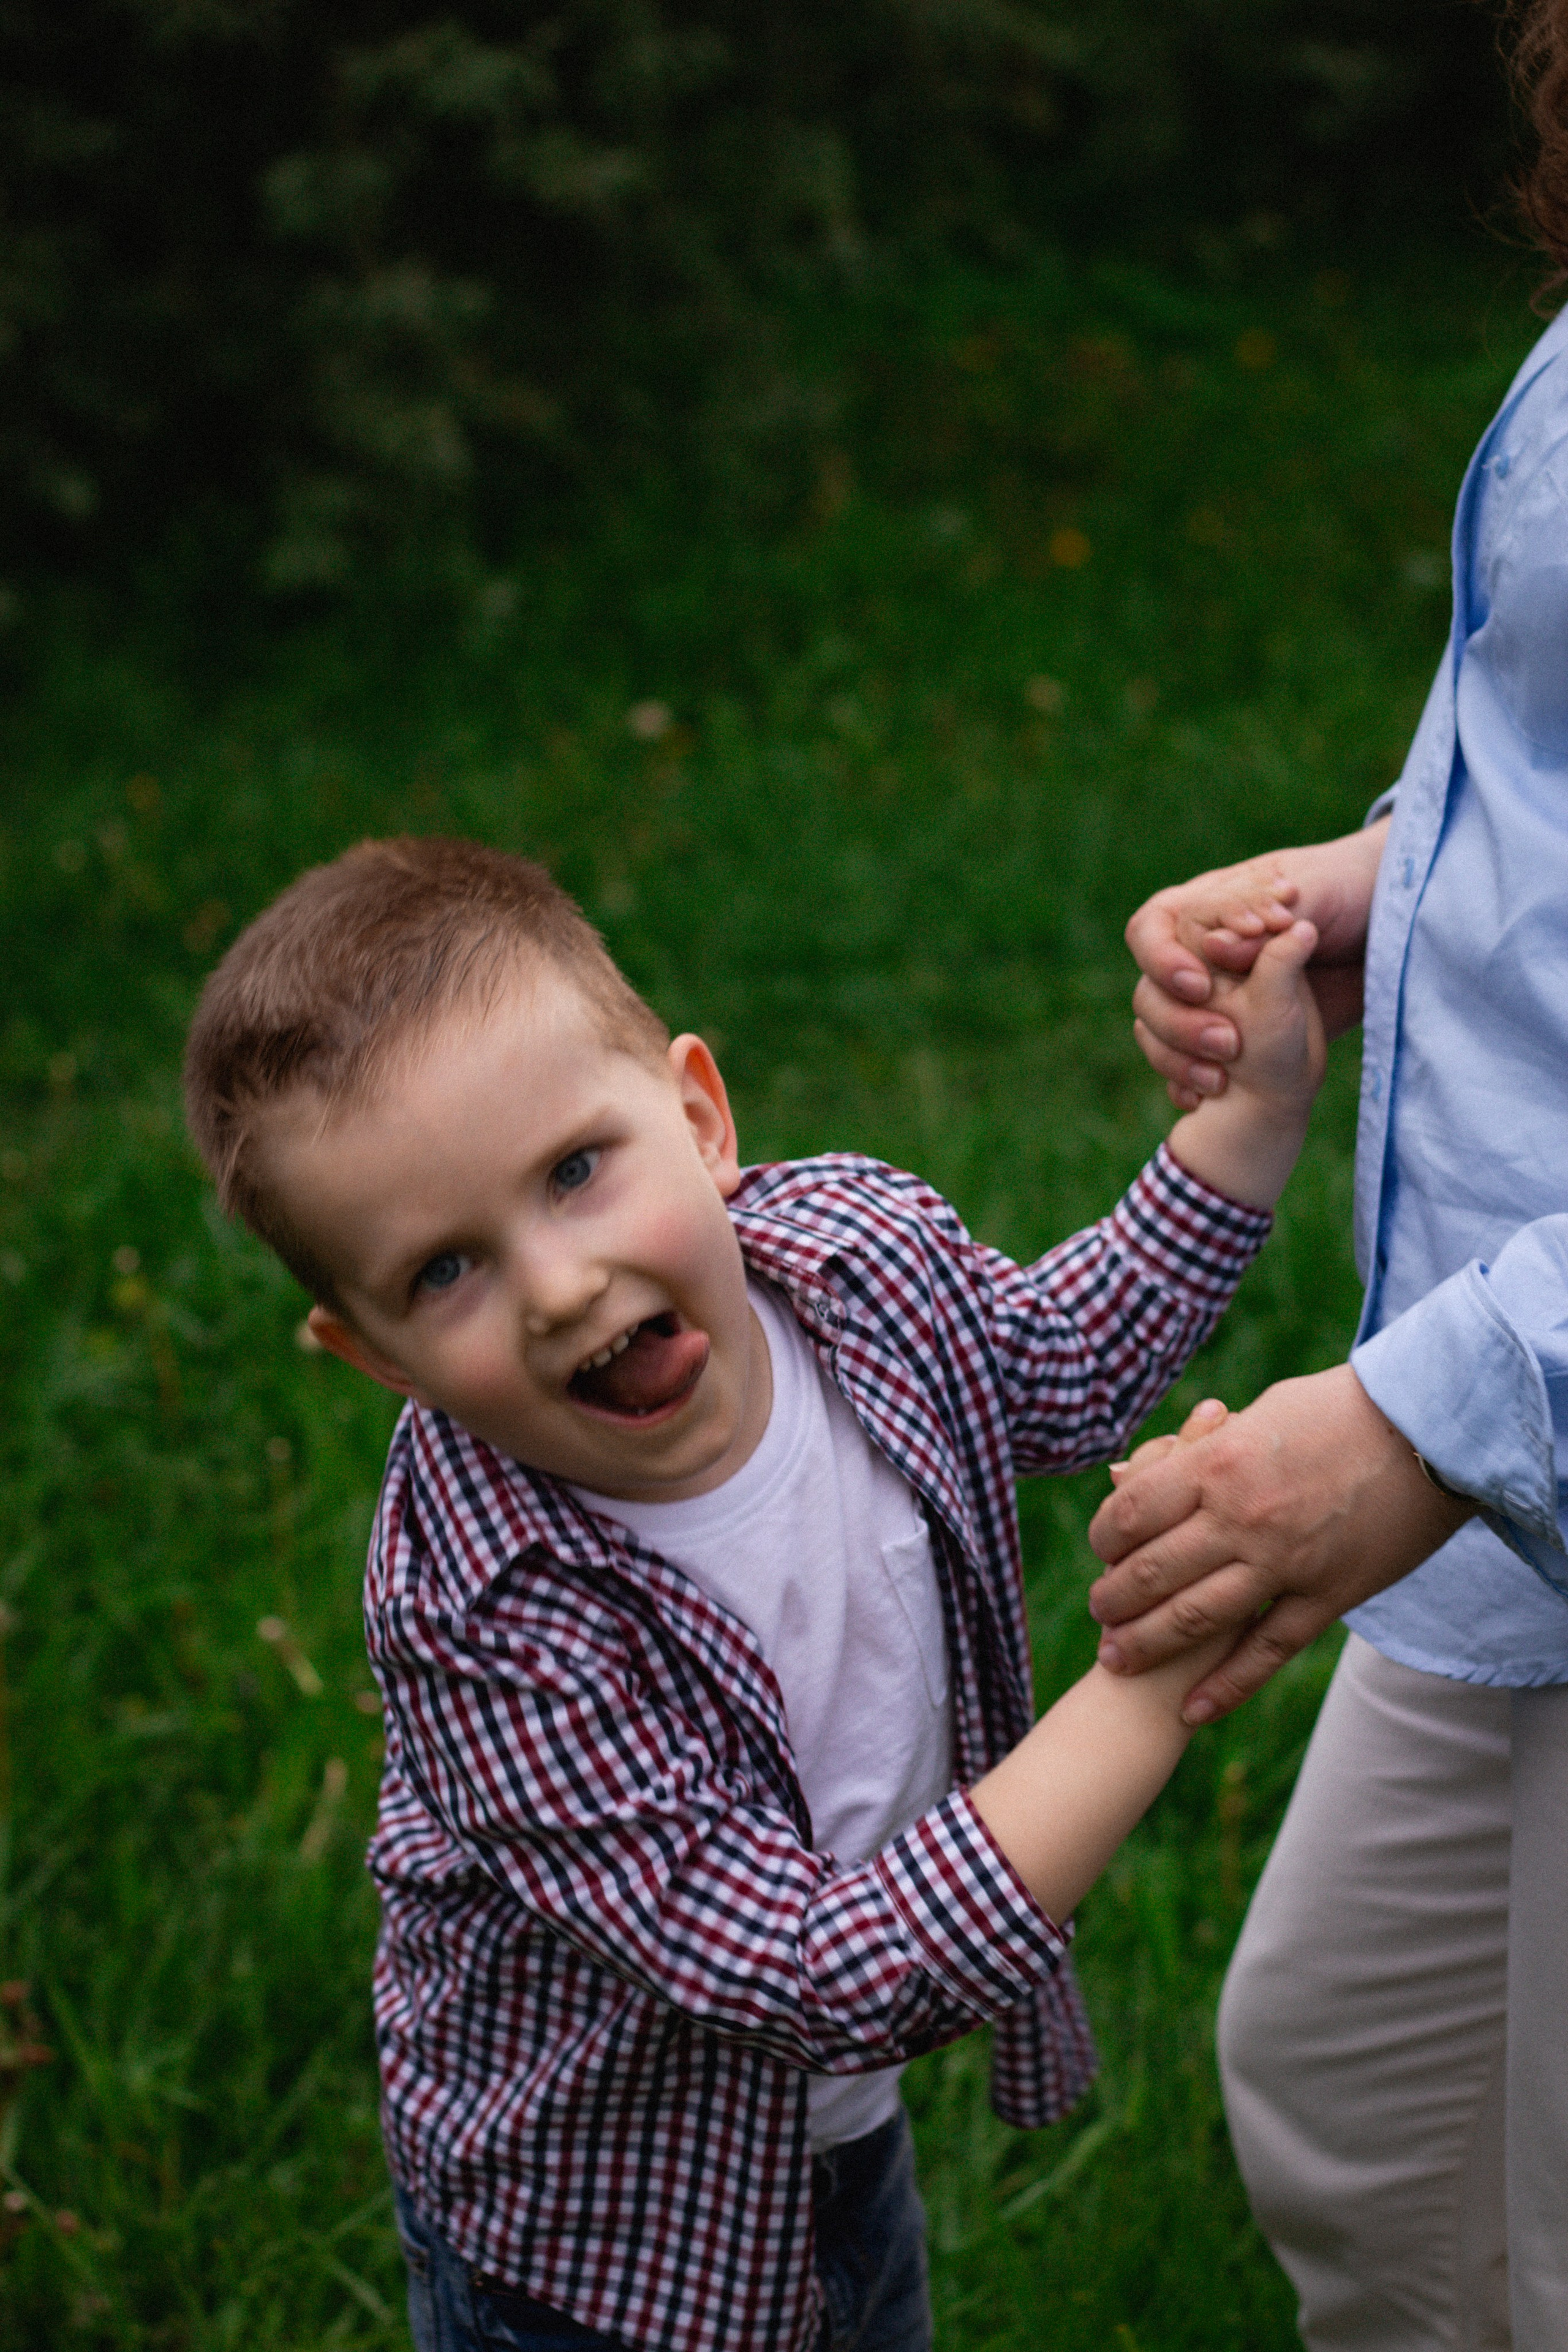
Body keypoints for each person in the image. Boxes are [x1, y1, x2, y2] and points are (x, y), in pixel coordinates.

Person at [183, 835, 1322, 2352]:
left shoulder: (854, 1264)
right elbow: (813, 1973)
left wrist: (1248, 1117)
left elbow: (1058, 1365)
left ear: (698, 1116)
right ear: (376, 1354)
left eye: (574, 1171)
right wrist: (1158, 1664)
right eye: (444, 1271)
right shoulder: (486, 1612)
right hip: (601, 2250)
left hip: (829, 2153)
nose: (560, 1287)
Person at [1087, 14, 1568, 2342]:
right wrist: (1392, 880)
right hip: (1511, 1496)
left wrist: (1414, 1428)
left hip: (1497, 1416)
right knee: (1355, 2095)